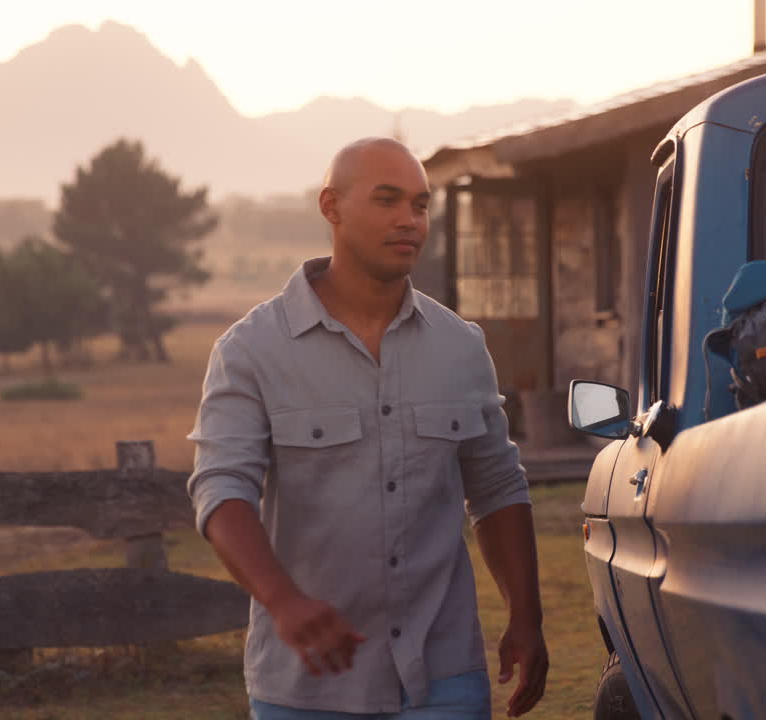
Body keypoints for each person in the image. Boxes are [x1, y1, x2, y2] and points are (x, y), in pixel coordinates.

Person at [187, 137, 547, 719]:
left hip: (445, 680)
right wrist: (285, 603)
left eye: (421, 205)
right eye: (387, 201)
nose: (409, 221)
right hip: (307, 688)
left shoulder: (460, 346)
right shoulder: (252, 350)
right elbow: (220, 491)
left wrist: (527, 618)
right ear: (332, 207)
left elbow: (498, 488)